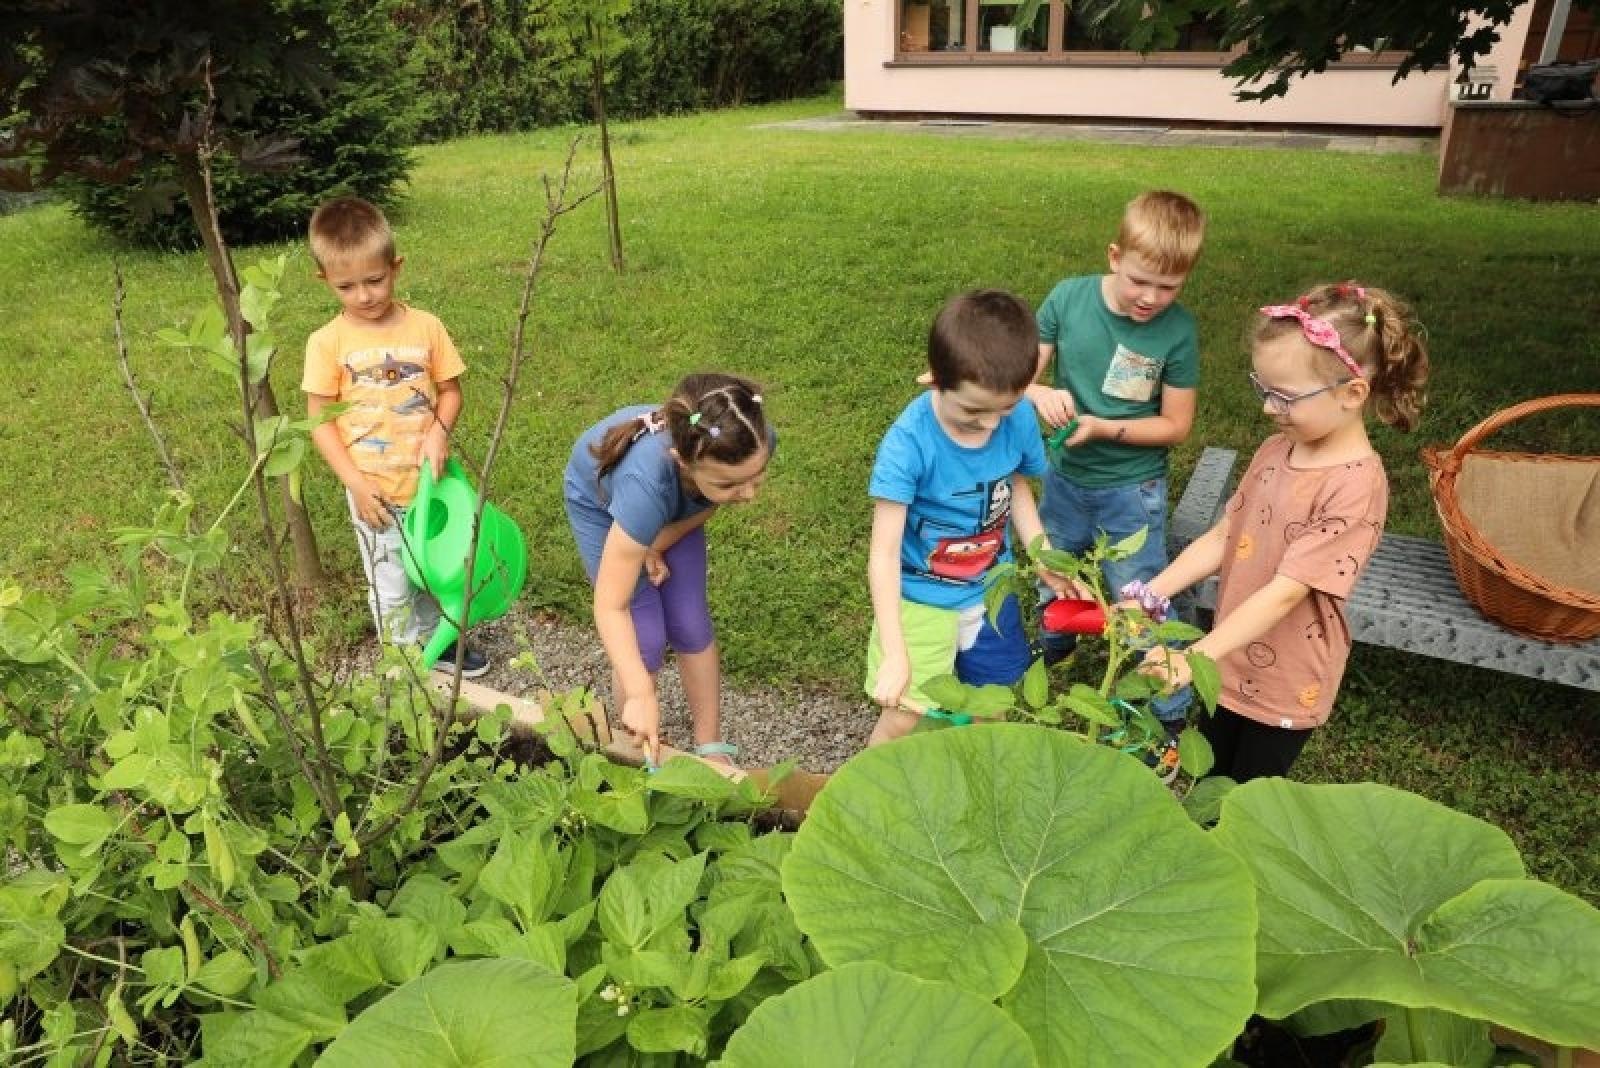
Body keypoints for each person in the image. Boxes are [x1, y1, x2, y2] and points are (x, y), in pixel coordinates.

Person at [1132, 282, 1429, 781]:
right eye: (1262, 388)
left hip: (1287, 680)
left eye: (1285, 396)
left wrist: (1192, 658)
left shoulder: (1356, 486)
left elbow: (1286, 595)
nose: (1268, 407)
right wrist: (1150, 593)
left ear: (1352, 394)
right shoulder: (1275, 451)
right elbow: (1225, 535)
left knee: (1249, 799)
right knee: (1208, 779)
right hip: (1227, 658)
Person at [1027, 189, 1207, 743]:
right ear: (1113, 257)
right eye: (1140, 280)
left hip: (1132, 491)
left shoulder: (1177, 332)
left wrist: (1105, 428)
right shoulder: (1067, 300)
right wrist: (1036, 393)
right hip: (1064, 477)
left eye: (1169, 286)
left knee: (1139, 594)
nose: (1151, 298)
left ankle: (1168, 708)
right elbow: (1022, 375)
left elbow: (1176, 426)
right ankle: (1056, 639)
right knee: (1057, 559)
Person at [866, 290, 1073, 745]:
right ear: (934, 381)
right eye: (974, 412)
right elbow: (882, 554)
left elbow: (1015, 486)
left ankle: (979, 790)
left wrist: (1043, 555)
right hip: (919, 598)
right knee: (903, 715)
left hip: (989, 592)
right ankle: (853, 800)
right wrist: (896, 650)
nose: (991, 426)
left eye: (1004, 410)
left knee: (992, 707)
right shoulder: (908, 444)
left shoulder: (1013, 417)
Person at [301, 196, 490, 677]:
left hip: (430, 484)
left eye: (375, 280)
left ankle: (439, 640)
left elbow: (450, 391)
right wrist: (355, 484)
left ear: (395, 266)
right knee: (390, 580)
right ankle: (404, 664)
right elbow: (319, 420)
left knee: (434, 566)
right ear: (324, 280)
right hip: (375, 492)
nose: (364, 296)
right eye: (346, 286)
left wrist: (440, 433)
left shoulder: (426, 327)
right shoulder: (327, 343)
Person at [563, 373, 773, 768]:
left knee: (690, 623)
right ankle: (636, 749)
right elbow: (611, 605)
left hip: (673, 509)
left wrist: (656, 542)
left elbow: (712, 501)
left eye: (757, 478)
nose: (747, 495)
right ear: (684, 463)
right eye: (732, 485)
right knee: (644, 642)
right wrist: (642, 692)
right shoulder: (647, 484)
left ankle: (709, 743)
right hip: (601, 508)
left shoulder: (747, 440)